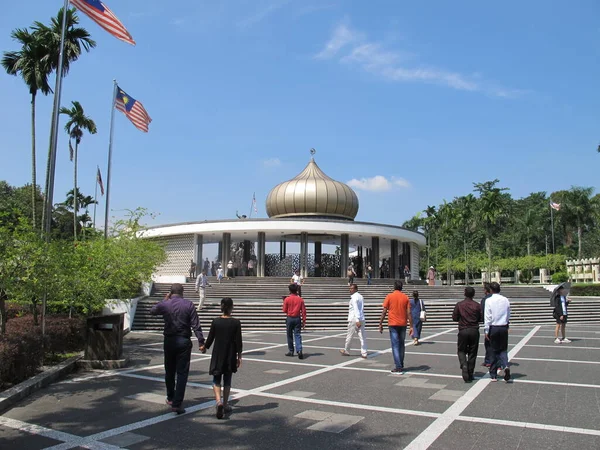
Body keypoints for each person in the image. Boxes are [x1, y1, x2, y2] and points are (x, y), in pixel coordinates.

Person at [150, 283, 205, 414]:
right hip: (183, 341)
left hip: (169, 340)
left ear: (170, 292)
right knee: (182, 373)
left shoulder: (165, 304)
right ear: (182, 292)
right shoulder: (189, 305)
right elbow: (196, 325)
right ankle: (177, 403)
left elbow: (152, 311)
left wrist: (164, 300)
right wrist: (201, 342)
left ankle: (170, 397)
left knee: (169, 370)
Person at [200, 298, 243, 419]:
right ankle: (225, 404)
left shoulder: (216, 321)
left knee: (216, 379)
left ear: (221, 307)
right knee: (227, 379)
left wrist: (204, 347)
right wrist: (239, 356)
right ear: (231, 308)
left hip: (218, 354)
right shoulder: (236, 322)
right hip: (230, 354)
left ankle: (218, 401)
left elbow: (210, 338)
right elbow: (238, 341)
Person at [379, 280, 412, 374]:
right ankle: (400, 364)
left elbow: (384, 311)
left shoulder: (389, 296)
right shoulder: (405, 297)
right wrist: (411, 326)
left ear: (394, 287)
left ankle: (398, 367)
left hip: (393, 324)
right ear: (401, 287)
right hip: (403, 324)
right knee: (401, 344)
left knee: (395, 345)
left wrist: (380, 323)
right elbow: (409, 312)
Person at [452, 287, 482, 383]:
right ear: (473, 294)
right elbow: (481, 318)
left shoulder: (459, 305)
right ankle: (470, 371)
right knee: (473, 352)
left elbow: (454, 317)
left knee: (461, 350)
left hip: (463, 330)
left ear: (465, 294)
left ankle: (464, 364)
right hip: (474, 330)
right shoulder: (477, 305)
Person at [484, 282, 511, 382]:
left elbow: (488, 317)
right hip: (503, 326)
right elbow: (508, 314)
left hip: (493, 327)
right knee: (503, 349)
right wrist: (507, 324)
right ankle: (505, 365)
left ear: (491, 290)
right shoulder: (505, 300)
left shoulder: (489, 300)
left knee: (493, 350)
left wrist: (486, 330)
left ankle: (493, 374)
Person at [339, 284, 368, 358]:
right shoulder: (361, 296)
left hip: (354, 318)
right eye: (350, 288)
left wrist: (357, 319)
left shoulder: (354, 297)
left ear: (356, 289)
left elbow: (356, 309)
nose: (350, 290)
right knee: (362, 336)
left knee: (350, 335)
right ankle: (364, 352)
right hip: (361, 318)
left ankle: (347, 350)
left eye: (351, 288)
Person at [282, 283, 306, 359]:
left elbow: (284, 310)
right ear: (297, 290)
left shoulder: (287, 299)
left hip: (289, 318)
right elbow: (303, 311)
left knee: (289, 335)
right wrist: (304, 321)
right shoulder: (300, 299)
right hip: (297, 318)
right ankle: (299, 350)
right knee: (297, 334)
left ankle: (291, 351)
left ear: (290, 290)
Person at [480, 283, 493, 367]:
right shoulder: (500, 299)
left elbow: (482, 312)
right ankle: (498, 362)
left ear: (486, 290)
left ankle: (488, 360)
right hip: (499, 324)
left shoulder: (485, 300)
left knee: (488, 343)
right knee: (497, 344)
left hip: (489, 323)